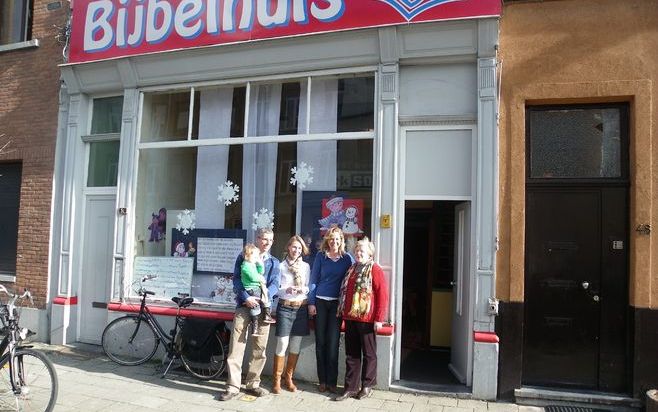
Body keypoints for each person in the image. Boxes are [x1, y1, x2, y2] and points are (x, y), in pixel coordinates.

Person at [219, 228, 280, 401]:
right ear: (257, 239)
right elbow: (237, 280)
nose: (267, 243)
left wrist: (262, 298)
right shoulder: (243, 256)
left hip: (263, 307)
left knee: (259, 347)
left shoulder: (274, 262)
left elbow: (275, 283)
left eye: (270, 240)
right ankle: (232, 386)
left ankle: (253, 384)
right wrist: (246, 297)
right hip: (243, 306)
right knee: (236, 346)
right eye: (264, 239)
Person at [334, 237, 388, 401]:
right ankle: (350, 387)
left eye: (362, 251)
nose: (358, 253)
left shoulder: (375, 270)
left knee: (369, 354)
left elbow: (382, 296)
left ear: (370, 254)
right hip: (350, 317)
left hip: (367, 319)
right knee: (352, 354)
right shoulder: (352, 269)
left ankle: (367, 386)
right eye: (357, 250)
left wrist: (378, 319)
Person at [308, 226, 353, 393]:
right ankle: (323, 380)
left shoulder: (347, 258)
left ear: (341, 241)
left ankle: (332, 382)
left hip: (336, 305)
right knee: (321, 343)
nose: (334, 242)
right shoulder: (321, 257)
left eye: (337, 239)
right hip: (320, 302)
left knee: (333, 344)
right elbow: (313, 280)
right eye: (331, 239)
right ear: (327, 240)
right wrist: (311, 302)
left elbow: (353, 279)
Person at [272, 235, 311, 394]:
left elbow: (308, 286)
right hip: (285, 307)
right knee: (282, 344)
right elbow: (276, 288)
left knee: (295, 346)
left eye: (300, 248)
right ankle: (276, 380)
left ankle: (289, 378)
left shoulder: (305, 267)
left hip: (301, 308)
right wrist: (285, 290)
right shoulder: (280, 266)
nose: (296, 251)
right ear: (288, 247)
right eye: (294, 247)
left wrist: (304, 290)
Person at [240, 243, 276, 337]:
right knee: (264, 297)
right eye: (255, 256)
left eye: (257, 256)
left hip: (256, 287)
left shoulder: (253, 264)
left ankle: (262, 319)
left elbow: (261, 272)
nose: (257, 258)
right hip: (251, 288)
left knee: (264, 297)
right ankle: (266, 316)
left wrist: (260, 264)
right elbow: (253, 277)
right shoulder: (246, 265)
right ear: (247, 256)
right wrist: (261, 279)